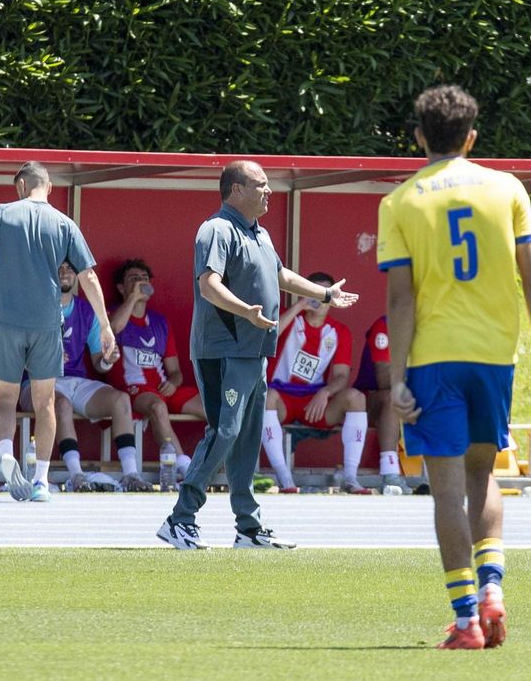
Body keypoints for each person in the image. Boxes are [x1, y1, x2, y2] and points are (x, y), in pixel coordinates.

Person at [378, 84, 531, 650]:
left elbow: (401, 299)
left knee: (446, 491)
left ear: (420, 136)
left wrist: (399, 375)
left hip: (435, 360)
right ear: (473, 135)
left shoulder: (401, 201)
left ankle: (465, 622)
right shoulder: (507, 189)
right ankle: (493, 589)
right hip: (494, 359)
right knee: (485, 475)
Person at [157, 160, 358, 550]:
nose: (269, 191)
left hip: (253, 354)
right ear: (236, 190)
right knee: (225, 432)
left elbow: (280, 275)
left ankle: (248, 528)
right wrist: (244, 311)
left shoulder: (260, 234)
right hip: (223, 351)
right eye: (260, 184)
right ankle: (180, 520)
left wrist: (326, 294)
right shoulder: (216, 229)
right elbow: (209, 285)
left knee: (247, 438)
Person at [0, 161, 116, 503]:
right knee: (45, 402)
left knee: (4, 399)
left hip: (5, 321)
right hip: (47, 324)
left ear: (20, 185)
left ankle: (5, 454)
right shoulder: (64, 223)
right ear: (48, 188)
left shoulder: (2, 213)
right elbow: (88, 277)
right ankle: (42, 481)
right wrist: (105, 324)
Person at [260, 271, 371, 495]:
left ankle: (350, 477)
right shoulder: (291, 318)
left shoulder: (339, 331)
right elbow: (267, 336)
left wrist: (326, 392)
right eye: (314, 293)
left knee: (356, 398)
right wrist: (299, 306)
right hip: (281, 398)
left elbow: (341, 375)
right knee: (265, 397)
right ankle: (285, 478)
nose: (319, 300)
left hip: (314, 401)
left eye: (324, 294)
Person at [104, 258, 202, 485]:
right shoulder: (113, 314)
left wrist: (174, 384)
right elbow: (114, 329)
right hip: (132, 390)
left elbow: (175, 371)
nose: (141, 282)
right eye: (133, 279)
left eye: (144, 279)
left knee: (215, 409)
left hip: (162, 388)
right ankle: (184, 467)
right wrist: (133, 298)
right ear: (121, 287)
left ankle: (224, 467)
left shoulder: (159, 322)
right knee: (157, 406)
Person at [46, 261, 139, 492]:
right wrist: (46, 357)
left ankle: (131, 474)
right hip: (41, 381)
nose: (64, 272)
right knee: (62, 404)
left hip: (77, 380)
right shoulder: (38, 307)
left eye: (69, 267)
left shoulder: (87, 310)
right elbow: (20, 354)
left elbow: (99, 361)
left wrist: (108, 359)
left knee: (121, 400)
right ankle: (77, 475)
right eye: (59, 267)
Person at [351, 314, 410, 489]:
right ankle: (390, 472)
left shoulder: (431, 329)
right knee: (392, 397)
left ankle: (445, 478)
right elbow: (384, 380)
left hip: (409, 399)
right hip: (369, 401)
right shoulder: (385, 326)